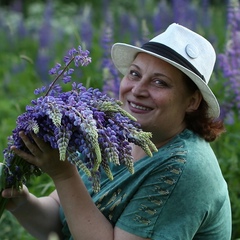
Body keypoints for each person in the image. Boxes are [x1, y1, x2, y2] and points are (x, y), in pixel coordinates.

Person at [2, 23, 232, 240]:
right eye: (134, 73)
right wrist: (20, 201)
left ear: (192, 101)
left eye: (160, 82)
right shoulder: (113, 136)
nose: (138, 89)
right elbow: (60, 218)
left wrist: (64, 174)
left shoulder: (184, 167)